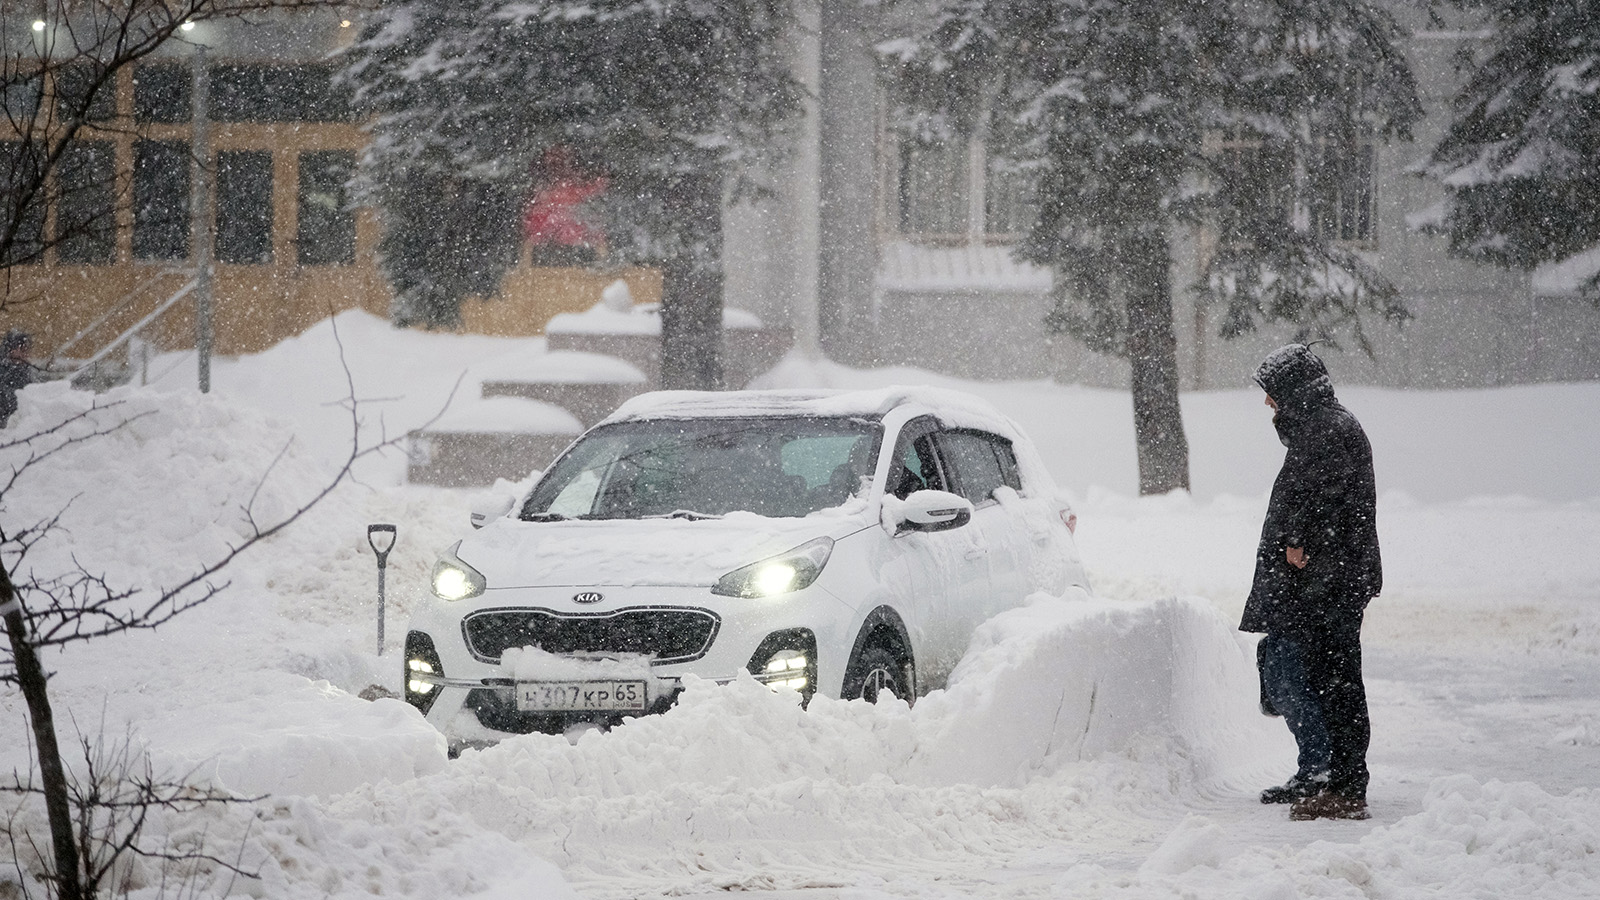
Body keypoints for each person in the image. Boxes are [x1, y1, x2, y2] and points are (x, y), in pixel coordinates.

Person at [1242, 343, 1382, 821]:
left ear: (1294, 391)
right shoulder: (1323, 426)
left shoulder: (1328, 430)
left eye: (1273, 392)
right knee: (1319, 678)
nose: (1268, 403)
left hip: (1330, 580)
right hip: (1327, 577)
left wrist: (1298, 541)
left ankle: (1344, 786)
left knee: (1337, 684)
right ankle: (1328, 776)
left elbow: (1322, 499)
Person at [0, 330, 36, 428]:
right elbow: (7, 397)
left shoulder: (24, 369)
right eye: (23, 349)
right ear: (11, 349)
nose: (27, 354)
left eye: (27, 349)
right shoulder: (4, 369)